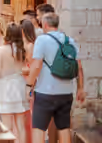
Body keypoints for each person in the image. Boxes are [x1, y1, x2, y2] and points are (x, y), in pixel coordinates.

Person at [27, 13, 85, 143]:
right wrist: (80, 88)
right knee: (64, 128)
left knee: (39, 128)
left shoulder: (42, 40)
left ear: (45, 24)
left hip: (45, 93)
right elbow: (79, 67)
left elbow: (36, 66)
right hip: (66, 93)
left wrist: (28, 86)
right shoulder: (70, 41)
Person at [0, 23, 30, 143]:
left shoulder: (1, 50)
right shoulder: (22, 50)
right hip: (19, 86)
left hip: (5, 88)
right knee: (21, 126)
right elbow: (25, 68)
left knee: (6, 126)